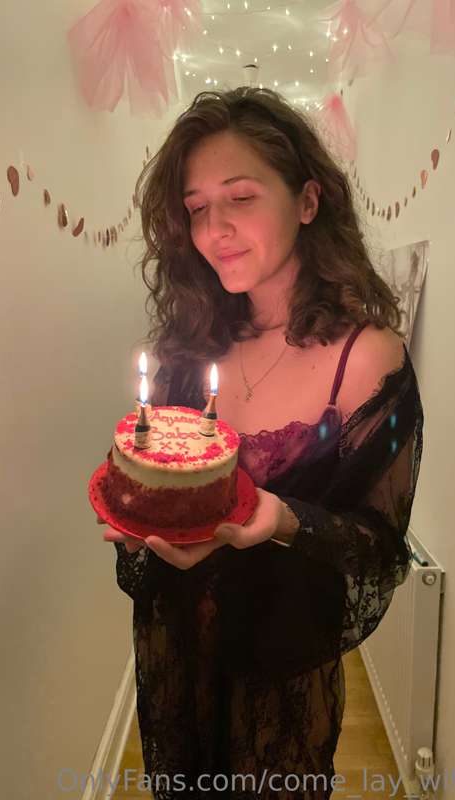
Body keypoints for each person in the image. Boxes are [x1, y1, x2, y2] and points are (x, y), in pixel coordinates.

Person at [98, 87, 424, 800]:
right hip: (176, 658)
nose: (214, 229)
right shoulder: (190, 347)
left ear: (307, 201)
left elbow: (380, 549)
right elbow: (162, 478)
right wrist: (139, 516)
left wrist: (281, 519)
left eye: (240, 197)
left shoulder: (367, 360)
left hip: (280, 685)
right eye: (195, 208)